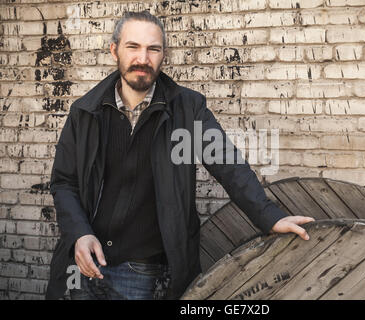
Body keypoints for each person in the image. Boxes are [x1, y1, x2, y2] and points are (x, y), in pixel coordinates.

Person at [45, 11, 314, 300]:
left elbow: (227, 163)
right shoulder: (85, 112)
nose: (143, 58)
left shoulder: (187, 109)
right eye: (133, 47)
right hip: (82, 263)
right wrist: (80, 235)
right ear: (114, 51)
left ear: (164, 55)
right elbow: (64, 182)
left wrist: (269, 216)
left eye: (153, 49)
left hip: (142, 272)